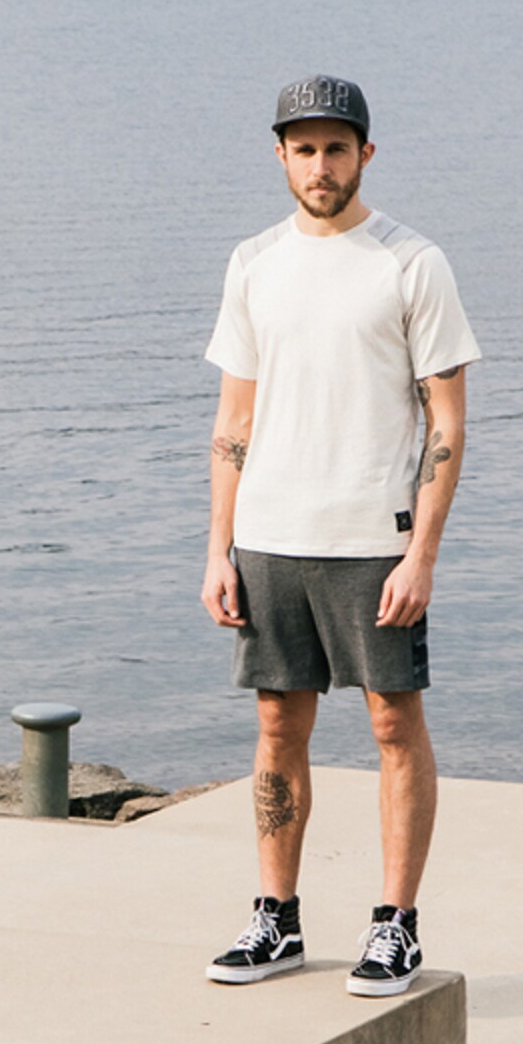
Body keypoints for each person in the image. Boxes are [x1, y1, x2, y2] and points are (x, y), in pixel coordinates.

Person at [201, 74, 480, 997]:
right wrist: (217, 549)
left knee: (394, 724)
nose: (320, 165)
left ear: (366, 154)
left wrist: (421, 554)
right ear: (280, 157)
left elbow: (446, 424)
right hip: (270, 538)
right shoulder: (253, 262)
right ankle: (276, 919)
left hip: (375, 540)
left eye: (336, 148)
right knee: (278, 725)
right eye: (304, 149)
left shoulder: (411, 263)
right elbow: (233, 421)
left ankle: (396, 925)